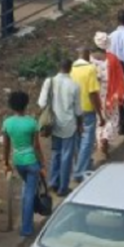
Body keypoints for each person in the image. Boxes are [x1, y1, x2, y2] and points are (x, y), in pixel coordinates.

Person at [1, 90, 45, 237]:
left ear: (11, 105)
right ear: (26, 104)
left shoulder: (7, 123)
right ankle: (26, 228)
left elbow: (6, 146)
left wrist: (6, 162)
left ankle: (26, 221)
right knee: (29, 194)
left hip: (18, 162)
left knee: (26, 189)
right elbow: (37, 147)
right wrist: (43, 164)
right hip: (32, 161)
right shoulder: (32, 123)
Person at [41, 59, 80, 196]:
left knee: (55, 153)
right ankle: (63, 188)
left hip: (54, 124)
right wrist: (80, 126)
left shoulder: (49, 82)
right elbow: (78, 111)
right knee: (66, 156)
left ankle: (53, 182)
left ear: (59, 67)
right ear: (70, 69)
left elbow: (41, 103)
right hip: (69, 124)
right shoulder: (75, 85)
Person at [91, 32, 124, 156]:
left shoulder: (90, 59)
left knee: (99, 119)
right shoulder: (112, 58)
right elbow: (121, 77)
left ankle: (101, 139)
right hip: (111, 93)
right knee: (113, 118)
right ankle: (106, 137)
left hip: (95, 93)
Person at [69, 48, 102, 182]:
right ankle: (79, 172)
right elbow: (93, 93)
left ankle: (86, 165)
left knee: (78, 140)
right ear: (88, 56)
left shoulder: (71, 69)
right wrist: (100, 113)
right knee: (87, 141)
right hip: (87, 109)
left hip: (73, 110)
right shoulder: (90, 69)